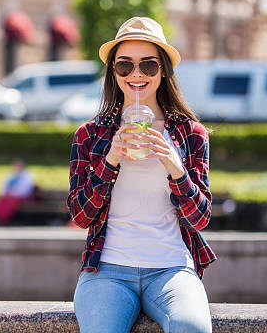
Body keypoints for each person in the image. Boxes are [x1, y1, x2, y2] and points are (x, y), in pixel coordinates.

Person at [68, 17, 216, 333]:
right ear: (113, 73)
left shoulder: (191, 134)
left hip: (171, 268)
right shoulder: (90, 135)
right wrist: (110, 160)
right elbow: (81, 216)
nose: (136, 74)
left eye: (148, 65)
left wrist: (176, 169)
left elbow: (201, 219)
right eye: (125, 66)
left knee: (192, 328)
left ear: (163, 71)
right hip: (106, 271)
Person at [0, 158, 35, 225]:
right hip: (9, 195)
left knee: (9, 203)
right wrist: (6, 193)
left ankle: (3, 219)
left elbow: (25, 190)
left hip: (19, 197)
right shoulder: (12, 175)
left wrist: (12, 193)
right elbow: (3, 186)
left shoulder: (27, 176)